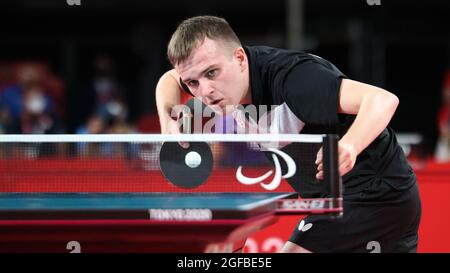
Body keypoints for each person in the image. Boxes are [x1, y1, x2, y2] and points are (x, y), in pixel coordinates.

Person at [155, 16, 422, 253]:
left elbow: (382, 100)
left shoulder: (295, 79)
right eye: (193, 82)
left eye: (212, 73)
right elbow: (169, 79)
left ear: (238, 58)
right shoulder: (208, 79)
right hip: (342, 200)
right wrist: (167, 121)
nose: (205, 92)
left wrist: (349, 146)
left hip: (376, 195)